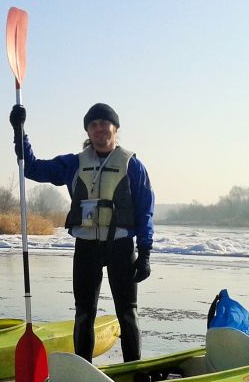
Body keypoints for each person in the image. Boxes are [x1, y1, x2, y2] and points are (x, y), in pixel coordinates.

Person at [10, 102, 154, 362]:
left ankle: (134, 371)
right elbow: (32, 168)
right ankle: (84, 371)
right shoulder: (74, 164)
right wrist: (20, 133)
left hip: (121, 247)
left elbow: (145, 211)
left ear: (115, 128)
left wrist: (144, 252)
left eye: (104, 124)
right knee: (84, 313)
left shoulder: (133, 165)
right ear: (88, 132)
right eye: (93, 125)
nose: (99, 129)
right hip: (87, 248)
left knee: (127, 313)